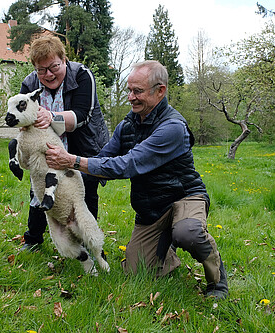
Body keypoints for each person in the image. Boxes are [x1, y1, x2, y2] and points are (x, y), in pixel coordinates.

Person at [45, 60, 229, 299]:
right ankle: (166, 248)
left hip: (184, 197)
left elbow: (128, 164)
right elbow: (104, 159)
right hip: (151, 208)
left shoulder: (172, 127)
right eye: (129, 90)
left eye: (138, 91)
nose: (131, 97)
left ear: (160, 91)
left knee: (188, 232)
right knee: (137, 272)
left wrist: (71, 160)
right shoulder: (127, 125)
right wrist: (64, 185)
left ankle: (217, 281)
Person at [17, 35, 109, 251]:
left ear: (64, 60)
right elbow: (21, 115)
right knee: (40, 190)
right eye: (42, 70)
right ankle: (33, 239)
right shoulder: (30, 83)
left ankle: (88, 242)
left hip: (82, 144)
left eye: (53, 66)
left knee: (84, 192)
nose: (48, 74)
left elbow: (82, 115)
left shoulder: (82, 75)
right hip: (45, 148)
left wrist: (51, 117)